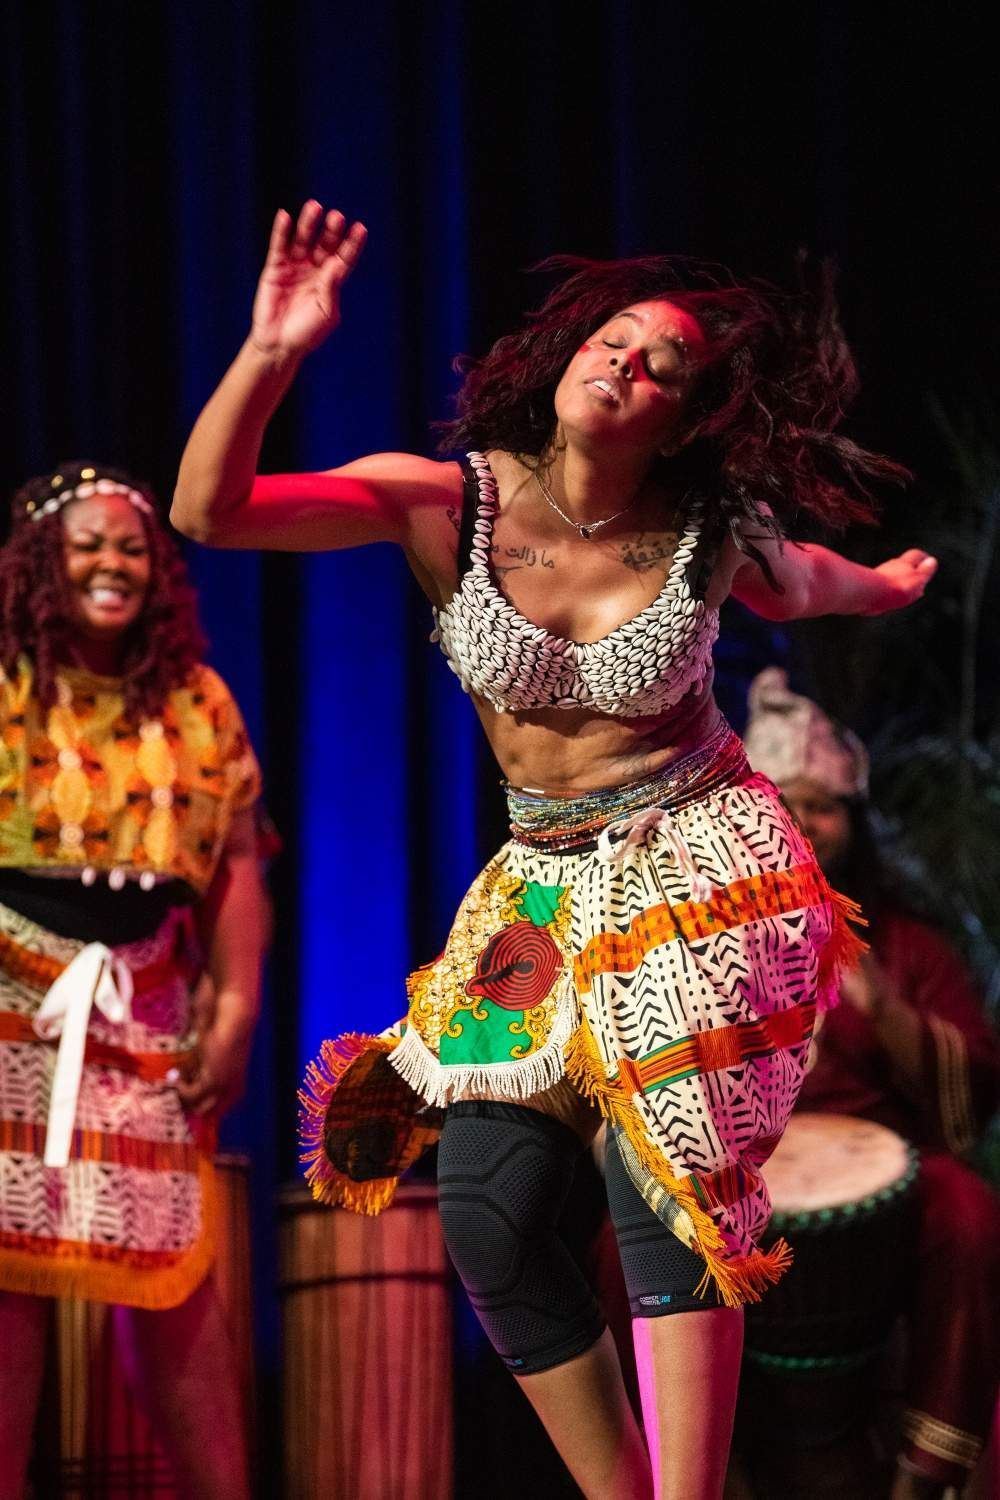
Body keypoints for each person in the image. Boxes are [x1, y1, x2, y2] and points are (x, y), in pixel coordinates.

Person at [172, 201, 936, 1500]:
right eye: (612, 337)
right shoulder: (449, 502)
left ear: (682, 420)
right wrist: (273, 351)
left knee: (666, 1172)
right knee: (488, 1206)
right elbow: (212, 509)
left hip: (701, 866)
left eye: (662, 366)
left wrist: (888, 585)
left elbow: (809, 579)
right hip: (537, 890)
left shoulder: (707, 528)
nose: (623, 362)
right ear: (571, 350)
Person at [0, 463, 268, 1500]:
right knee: (7, 1280)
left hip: (144, 1000)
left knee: (171, 1275)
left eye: (131, 548)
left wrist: (234, 1008)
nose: (112, 563)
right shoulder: (9, 683)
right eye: (88, 544)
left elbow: (237, 860)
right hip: (8, 1003)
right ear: (41, 561)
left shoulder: (196, 700)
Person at [744, 667, 1000, 1500]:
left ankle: (922, 1475)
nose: (804, 825)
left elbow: (972, 1086)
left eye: (823, 806)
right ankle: (695, 1475)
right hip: (739, 1178)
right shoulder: (703, 937)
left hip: (890, 1175)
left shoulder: (908, 945)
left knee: (968, 1213)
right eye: (785, 805)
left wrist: (883, 1005)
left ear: (853, 821)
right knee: (623, 1237)